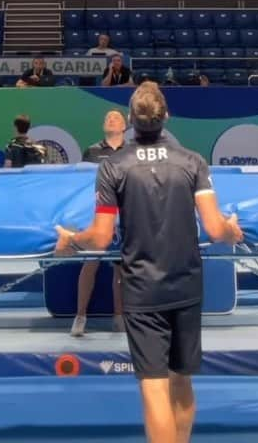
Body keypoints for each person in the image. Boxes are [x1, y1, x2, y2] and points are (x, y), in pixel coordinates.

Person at [56, 83, 242, 443]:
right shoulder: (193, 162)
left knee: (155, 388)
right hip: (187, 285)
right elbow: (217, 230)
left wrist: (70, 240)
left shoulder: (113, 167)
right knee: (181, 380)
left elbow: (99, 237)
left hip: (143, 288)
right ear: (166, 117)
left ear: (130, 120)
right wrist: (233, 231)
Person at [71, 110, 128, 337]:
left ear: (125, 125)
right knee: (91, 263)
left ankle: (119, 317)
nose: (111, 119)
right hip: (98, 217)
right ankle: (80, 316)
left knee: (121, 269)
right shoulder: (92, 151)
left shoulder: (132, 151)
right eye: (107, 118)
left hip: (125, 217)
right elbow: (82, 187)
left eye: (116, 117)